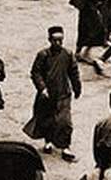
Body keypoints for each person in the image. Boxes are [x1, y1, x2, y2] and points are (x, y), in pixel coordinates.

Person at [24, 26, 81, 163]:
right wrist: (42, 88)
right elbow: (35, 73)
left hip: (63, 93)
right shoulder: (43, 55)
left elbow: (74, 72)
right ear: (49, 40)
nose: (58, 43)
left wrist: (77, 87)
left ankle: (65, 147)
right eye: (55, 40)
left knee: (65, 121)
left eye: (60, 40)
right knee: (47, 119)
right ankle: (48, 141)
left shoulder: (68, 54)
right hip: (47, 94)